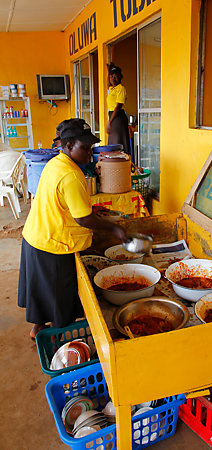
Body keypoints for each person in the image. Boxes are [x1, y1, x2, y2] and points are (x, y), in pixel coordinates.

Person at [18, 118, 128, 340]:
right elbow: (83, 219)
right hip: (54, 244)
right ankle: (63, 342)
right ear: (68, 146)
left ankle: (38, 328)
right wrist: (115, 230)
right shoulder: (71, 174)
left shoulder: (56, 163)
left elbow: (64, 203)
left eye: (91, 147)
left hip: (35, 237)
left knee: (42, 290)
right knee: (60, 297)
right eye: (85, 148)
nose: (90, 153)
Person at [106, 62, 131, 154]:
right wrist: (109, 71)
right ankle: (114, 165)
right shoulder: (112, 89)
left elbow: (117, 107)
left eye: (116, 76)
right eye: (111, 77)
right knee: (113, 144)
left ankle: (122, 165)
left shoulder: (121, 89)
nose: (113, 79)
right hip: (113, 116)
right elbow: (108, 83)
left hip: (117, 117)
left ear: (120, 77)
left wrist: (110, 122)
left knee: (118, 143)